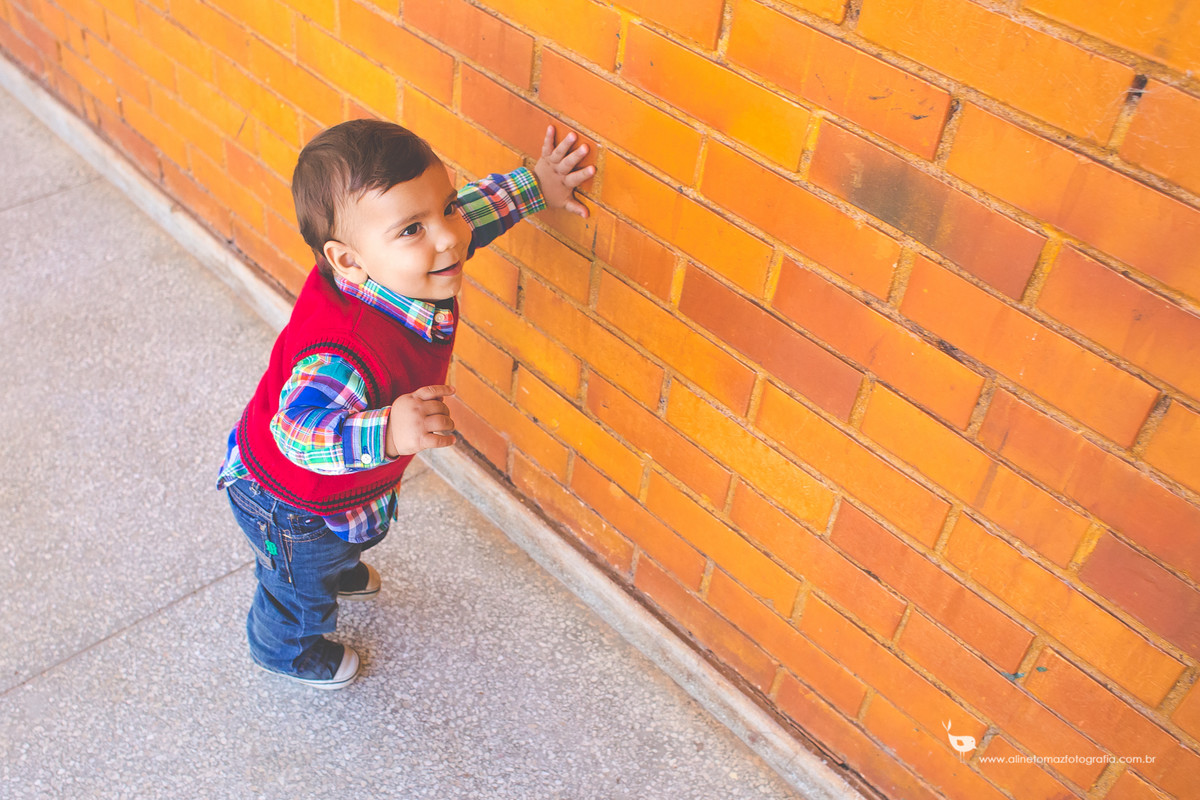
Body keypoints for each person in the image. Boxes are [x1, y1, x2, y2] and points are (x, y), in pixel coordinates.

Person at [216, 118, 595, 689]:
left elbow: (472, 214)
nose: (447, 236)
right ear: (347, 260)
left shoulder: (405, 260)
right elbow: (296, 431)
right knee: (297, 589)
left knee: (343, 546)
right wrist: (388, 432)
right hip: (292, 506)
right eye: (412, 229)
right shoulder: (344, 353)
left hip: (331, 499)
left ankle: (337, 567)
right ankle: (284, 648)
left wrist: (537, 184)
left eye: (444, 208)